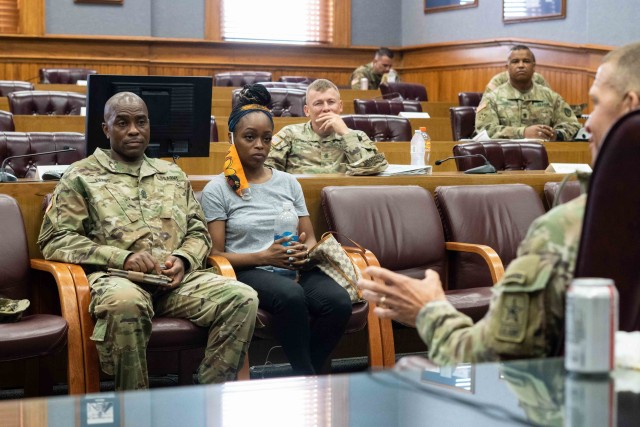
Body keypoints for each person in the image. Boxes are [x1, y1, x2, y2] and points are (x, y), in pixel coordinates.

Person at [357, 42, 640, 366]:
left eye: (595, 103)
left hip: (572, 409)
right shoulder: (495, 91)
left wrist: (429, 310)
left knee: (411, 369)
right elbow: (484, 129)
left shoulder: (570, 230)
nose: (587, 122)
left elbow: (487, 360)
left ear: (630, 107)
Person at [37, 92, 258, 390]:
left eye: (141, 122)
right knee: (126, 305)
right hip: (119, 280)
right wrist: (121, 257)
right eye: (123, 123)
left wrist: (183, 259)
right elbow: (55, 239)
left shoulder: (171, 174)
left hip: (175, 283)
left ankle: (210, 397)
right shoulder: (81, 175)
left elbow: (198, 231)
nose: (133, 130)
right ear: (106, 129)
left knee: (243, 297)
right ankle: (134, 409)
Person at [201, 84, 352, 376]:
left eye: (266, 138)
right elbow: (215, 255)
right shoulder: (218, 189)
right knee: (291, 297)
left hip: (292, 266)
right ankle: (307, 378)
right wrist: (264, 257)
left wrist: (301, 251)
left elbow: (307, 237)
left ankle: (306, 373)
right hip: (248, 269)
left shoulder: (287, 182)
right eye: (250, 137)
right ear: (233, 139)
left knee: (338, 302)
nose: (259, 145)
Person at [264, 78, 388, 175]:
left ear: (340, 106)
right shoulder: (289, 134)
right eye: (318, 103)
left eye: (331, 102)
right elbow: (266, 170)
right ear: (307, 110)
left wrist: (346, 134)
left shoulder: (358, 136)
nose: (326, 108)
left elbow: (373, 170)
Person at [475, 45, 581, 141]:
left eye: (526, 61)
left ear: (534, 66)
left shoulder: (551, 97)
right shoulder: (491, 98)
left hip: (546, 155)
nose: (521, 65)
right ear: (507, 68)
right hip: (504, 157)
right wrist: (523, 133)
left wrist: (556, 134)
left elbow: (572, 125)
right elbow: (484, 130)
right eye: (515, 61)